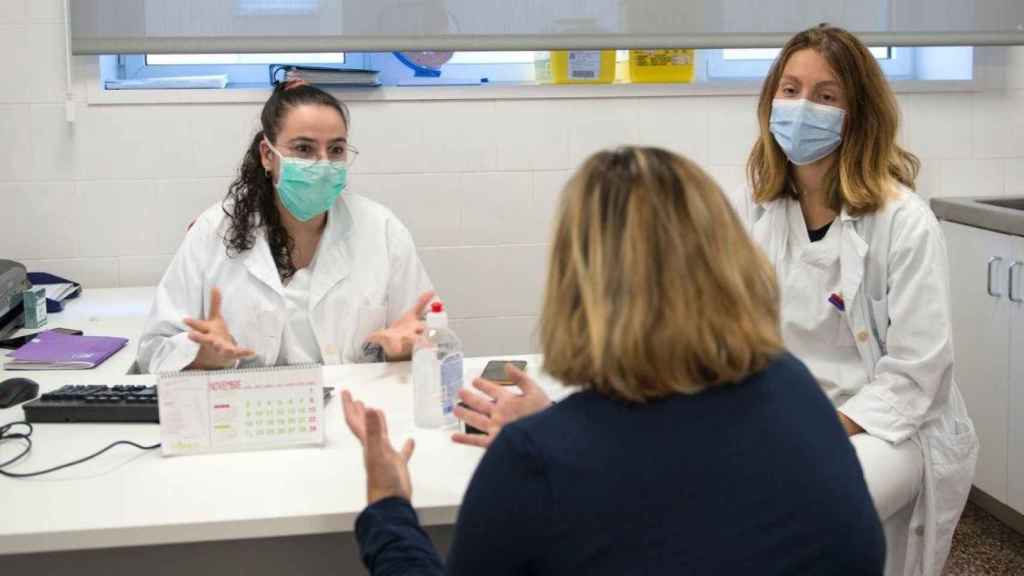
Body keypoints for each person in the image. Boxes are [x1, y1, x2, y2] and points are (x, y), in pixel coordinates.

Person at [343, 147, 885, 575]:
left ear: (576, 283)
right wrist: (558, 427)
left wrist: (389, 508)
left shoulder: (532, 462)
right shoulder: (792, 387)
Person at [727, 24, 977, 576]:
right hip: (786, 410)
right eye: (789, 90)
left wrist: (819, 426)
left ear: (856, 113)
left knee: (803, 508)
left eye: (825, 95)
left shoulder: (903, 222)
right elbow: (724, 325)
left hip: (884, 423)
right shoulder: (755, 203)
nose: (800, 107)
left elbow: (917, 373)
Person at [137, 80, 434, 373]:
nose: (322, 163)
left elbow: (429, 336)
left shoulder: (381, 230)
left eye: (336, 150)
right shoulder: (213, 230)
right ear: (268, 155)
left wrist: (406, 351)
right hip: (247, 410)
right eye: (304, 149)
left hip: (353, 409)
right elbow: (153, 349)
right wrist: (203, 356)